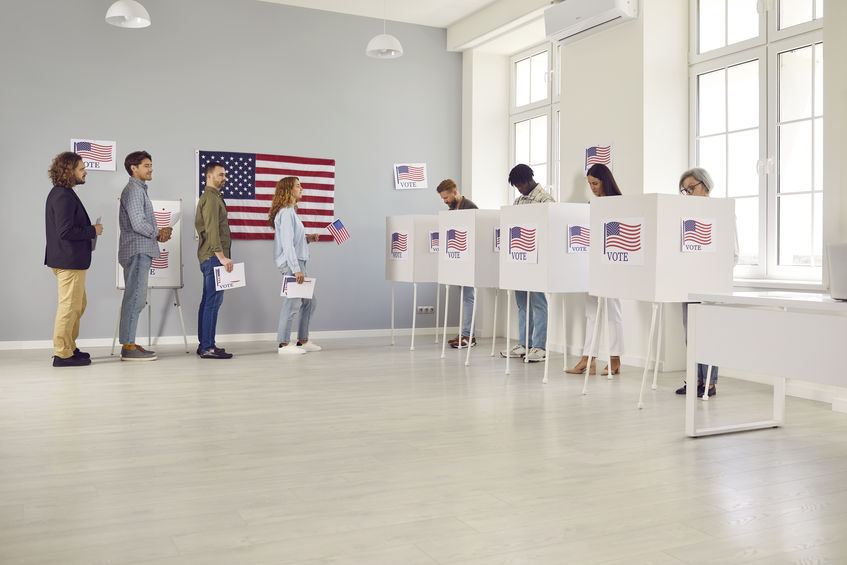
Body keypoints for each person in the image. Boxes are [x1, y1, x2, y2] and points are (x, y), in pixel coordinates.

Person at [675, 167, 736, 397]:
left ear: (705, 186)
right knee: (691, 334)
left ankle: (709, 383)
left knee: (709, 335)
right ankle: (695, 381)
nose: (688, 193)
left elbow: (734, 253)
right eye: (684, 190)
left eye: (692, 188)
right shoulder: (685, 215)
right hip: (689, 283)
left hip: (712, 284)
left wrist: (714, 273)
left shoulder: (722, 211)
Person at [44, 152, 103, 367]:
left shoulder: (65, 193)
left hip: (71, 260)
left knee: (78, 304)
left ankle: (69, 347)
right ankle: (62, 354)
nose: (85, 171)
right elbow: (65, 231)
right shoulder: (62, 195)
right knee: (69, 306)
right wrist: (93, 230)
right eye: (81, 168)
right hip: (68, 260)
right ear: (69, 171)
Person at [566, 163, 624, 376]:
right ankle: (588, 359)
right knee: (591, 313)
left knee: (612, 312)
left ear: (605, 181)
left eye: (596, 183)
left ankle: (615, 359)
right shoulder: (592, 204)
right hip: (591, 263)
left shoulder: (619, 203)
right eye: (590, 183)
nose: (592, 187)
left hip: (612, 263)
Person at [117, 151, 172, 361]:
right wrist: (158, 232)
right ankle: (128, 347)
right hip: (137, 252)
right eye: (146, 165)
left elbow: (139, 223)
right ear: (134, 168)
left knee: (136, 299)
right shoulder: (133, 190)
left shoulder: (139, 190)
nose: (151, 169)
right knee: (135, 299)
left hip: (140, 250)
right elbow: (138, 223)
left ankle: (129, 343)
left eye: (151, 165)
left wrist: (159, 233)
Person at [500, 164, 554, 362]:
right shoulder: (518, 201)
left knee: (539, 303)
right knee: (522, 303)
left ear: (529, 179)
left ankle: (539, 347)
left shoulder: (545, 200)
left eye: (520, 184)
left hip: (538, 259)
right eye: (515, 186)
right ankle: (524, 344)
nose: (519, 189)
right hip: (520, 258)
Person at [270, 176, 321, 355]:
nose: (302, 188)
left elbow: (294, 240)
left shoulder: (291, 212)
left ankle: (302, 340)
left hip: (298, 262)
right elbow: (287, 244)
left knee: (310, 302)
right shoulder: (285, 213)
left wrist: (308, 238)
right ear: (288, 190)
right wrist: (296, 269)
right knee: (292, 303)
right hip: (293, 264)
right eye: (298, 186)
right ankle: (284, 344)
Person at [195, 161, 234, 359]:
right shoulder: (210, 199)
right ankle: (208, 347)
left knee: (208, 301)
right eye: (220, 174)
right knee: (212, 301)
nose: (224, 178)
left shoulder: (214, 197)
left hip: (210, 256)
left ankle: (205, 344)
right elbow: (211, 230)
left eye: (225, 174)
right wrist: (222, 257)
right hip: (213, 257)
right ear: (208, 176)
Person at [436, 178, 478, 348]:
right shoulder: (453, 209)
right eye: (442, 199)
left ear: (455, 192)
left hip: (468, 261)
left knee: (469, 297)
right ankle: (465, 334)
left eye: (446, 197)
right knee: (465, 297)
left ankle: (469, 336)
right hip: (458, 260)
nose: (445, 201)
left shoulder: (470, 208)